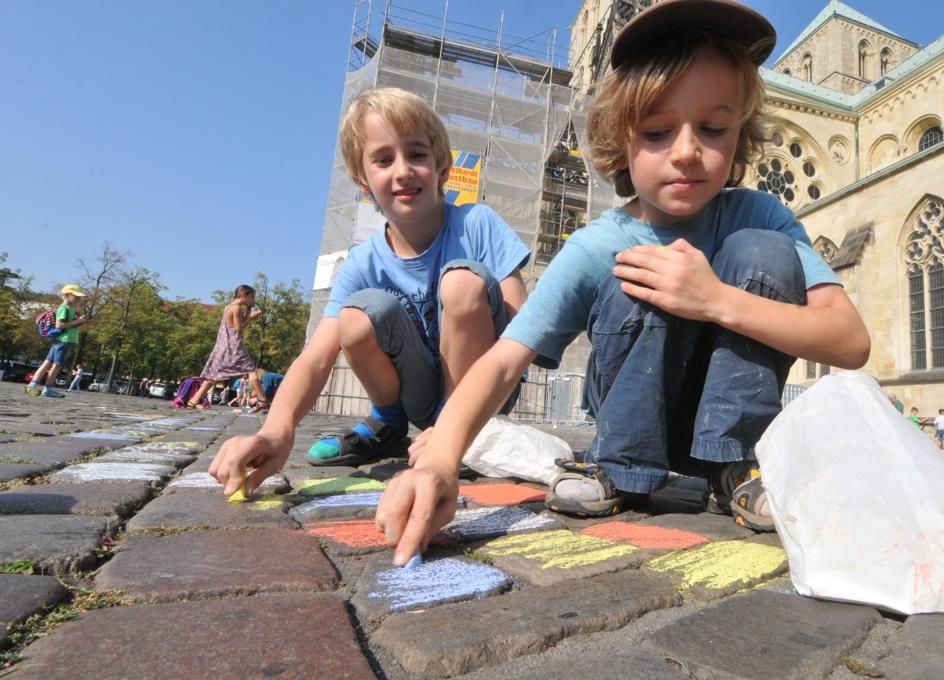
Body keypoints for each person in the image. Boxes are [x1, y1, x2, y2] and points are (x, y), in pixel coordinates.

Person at [373, 0, 871, 564]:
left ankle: (734, 465)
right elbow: (504, 359)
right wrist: (439, 460)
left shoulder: (760, 215)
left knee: (764, 251)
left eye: (712, 128)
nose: (686, 152)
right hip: (633, 427)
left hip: (729, 433)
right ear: (620, 141)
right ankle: (620, 465)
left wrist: (715, 300)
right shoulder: (597, 243)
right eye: (658, 132)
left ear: (741, 134)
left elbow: (849, 340)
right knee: (635, 270)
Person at [208, 87, 529, 490]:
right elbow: (315, 358)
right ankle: (389, 426)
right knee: (355, 317)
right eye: (383, 159)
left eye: (416, 154)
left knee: (462, 281)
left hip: (485, 391)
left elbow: (522, 326)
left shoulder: (477, 223)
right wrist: (276, 431)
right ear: (363, 180)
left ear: (442, 166)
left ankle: (459, 433)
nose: (402, 170)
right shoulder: (363, 261)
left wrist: (456, 423)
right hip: (418, 395)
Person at [187, 285, 270, 412]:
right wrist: (252, 317)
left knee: (213, 375)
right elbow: (239, 328)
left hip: (223, 345)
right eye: (251, 297)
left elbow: (240, 322)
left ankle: (193, 401)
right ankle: (262, 400)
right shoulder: (235, 308)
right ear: (243, 295)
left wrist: (248, 310)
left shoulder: (229, 307)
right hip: (233, 346)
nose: (253, 299)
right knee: (252, 370)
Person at [25, 284, 89, 398]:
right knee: (57, 365)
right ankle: (46, 389)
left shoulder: (71, 308)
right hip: (64, 340)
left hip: (63, 339)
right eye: (76, 296)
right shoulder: (63, 308)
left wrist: (79, 320)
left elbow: (70, 323)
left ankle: (31, 386)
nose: (79, 299)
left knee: (47, 363)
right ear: (67, 295)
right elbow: (59, 325)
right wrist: (77, 321)